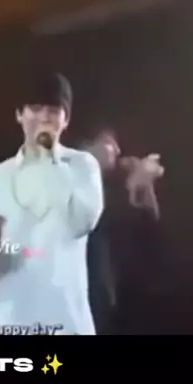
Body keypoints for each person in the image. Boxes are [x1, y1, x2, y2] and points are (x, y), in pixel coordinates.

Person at [0, 71, 113, 335]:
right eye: (35, 108)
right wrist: (2, 245)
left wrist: (51, 161)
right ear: (19, 115)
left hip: (67, 322)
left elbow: (83, 221)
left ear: (66, 120)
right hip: (7, 320)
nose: (44, 117)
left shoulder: (82, 167)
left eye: (54, 110)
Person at [82, 129, 165, 334]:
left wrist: (143, 187)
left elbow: (149, 227)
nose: (117, 151)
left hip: (119, 303)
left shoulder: (114, 190)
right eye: (109, 143)